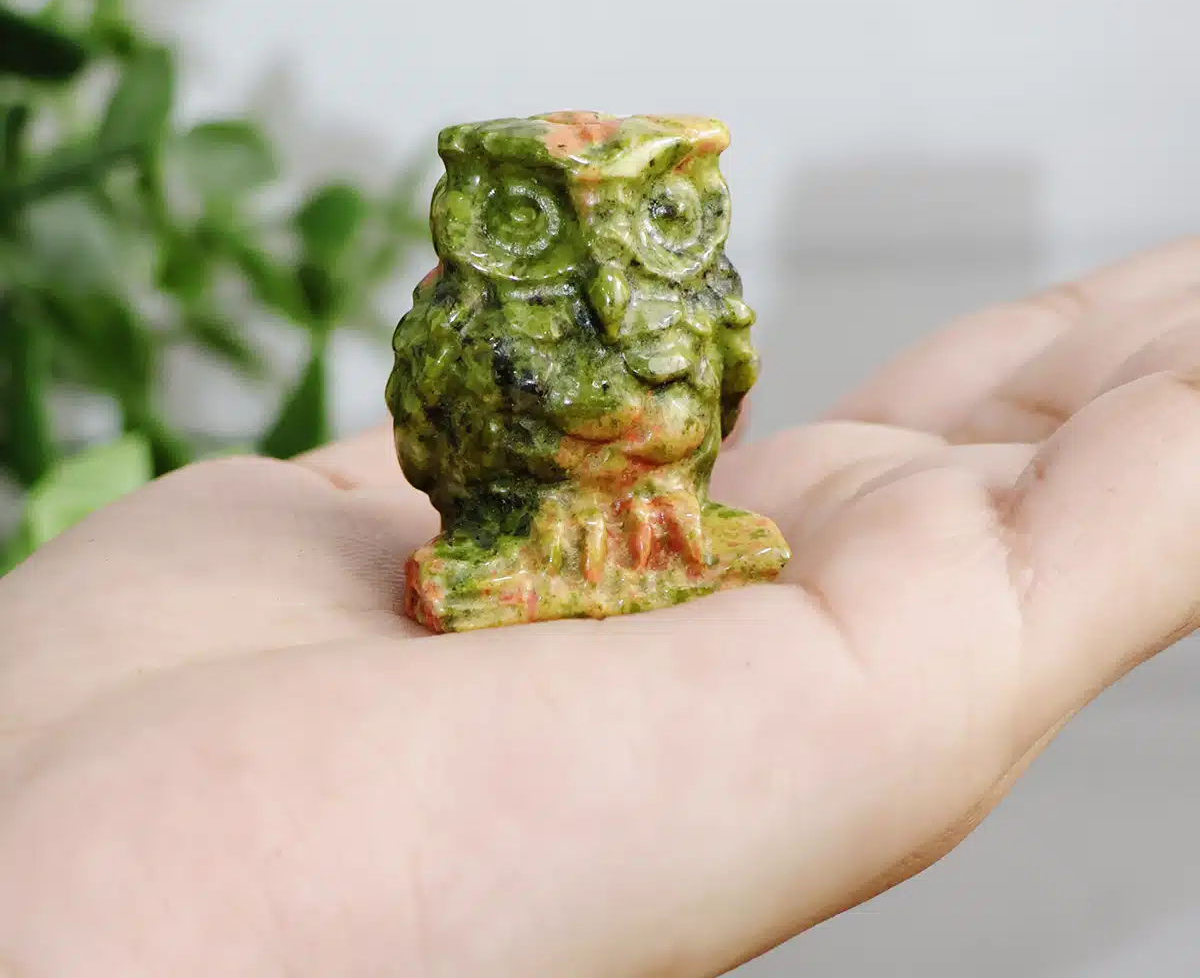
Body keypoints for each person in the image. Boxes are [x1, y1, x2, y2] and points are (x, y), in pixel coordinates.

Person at [2, 238, 1200, 976]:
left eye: (655, 215)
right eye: (536, 216)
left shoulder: (700, 313)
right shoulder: (464, 328)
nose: (608, 281)